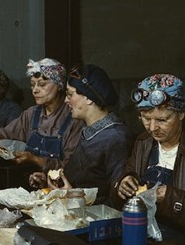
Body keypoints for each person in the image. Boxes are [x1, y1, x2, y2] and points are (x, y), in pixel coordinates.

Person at [109, 73, 185, 240]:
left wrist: (168, 197)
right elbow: (122, 189)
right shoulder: (143, 143)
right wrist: (123, 185)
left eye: (162, 120)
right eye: (146, 119)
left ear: (181, 114)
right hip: (143, 235)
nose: (153, 128)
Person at [29, 64, 133, 204]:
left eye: (70, 94)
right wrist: (54, 183)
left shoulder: (115, 138)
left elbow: (119, 200)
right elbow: (83, 180)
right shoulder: (89, 131)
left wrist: (75, 197)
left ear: (89, 98)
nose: (66, 100)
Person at [0, 58, 83, 172]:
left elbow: (71, 167)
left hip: (59, 187)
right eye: (32, 85)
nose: (35, 90)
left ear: (59, 85)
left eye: (42, 84)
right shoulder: (31, 114)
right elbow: (5, 133)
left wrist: (35, 159)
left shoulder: (74, 119)